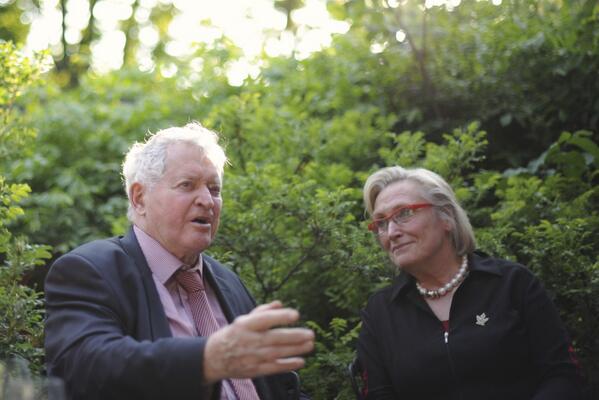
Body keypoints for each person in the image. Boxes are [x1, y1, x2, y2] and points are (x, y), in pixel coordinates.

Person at [44, 122, 315, 400]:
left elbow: (282, 388)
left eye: (214, 189)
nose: (208, 201)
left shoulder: (229, 282)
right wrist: (206, 360)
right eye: (187, 185)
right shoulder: (90, 270)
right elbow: (86, 368)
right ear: (139, 198)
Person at [356, 166, 583, 400]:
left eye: (403, 213)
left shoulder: (512, 284)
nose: (391, 232)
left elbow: (562, 375)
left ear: (446, 217)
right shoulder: (380, 314)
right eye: (381, 223)